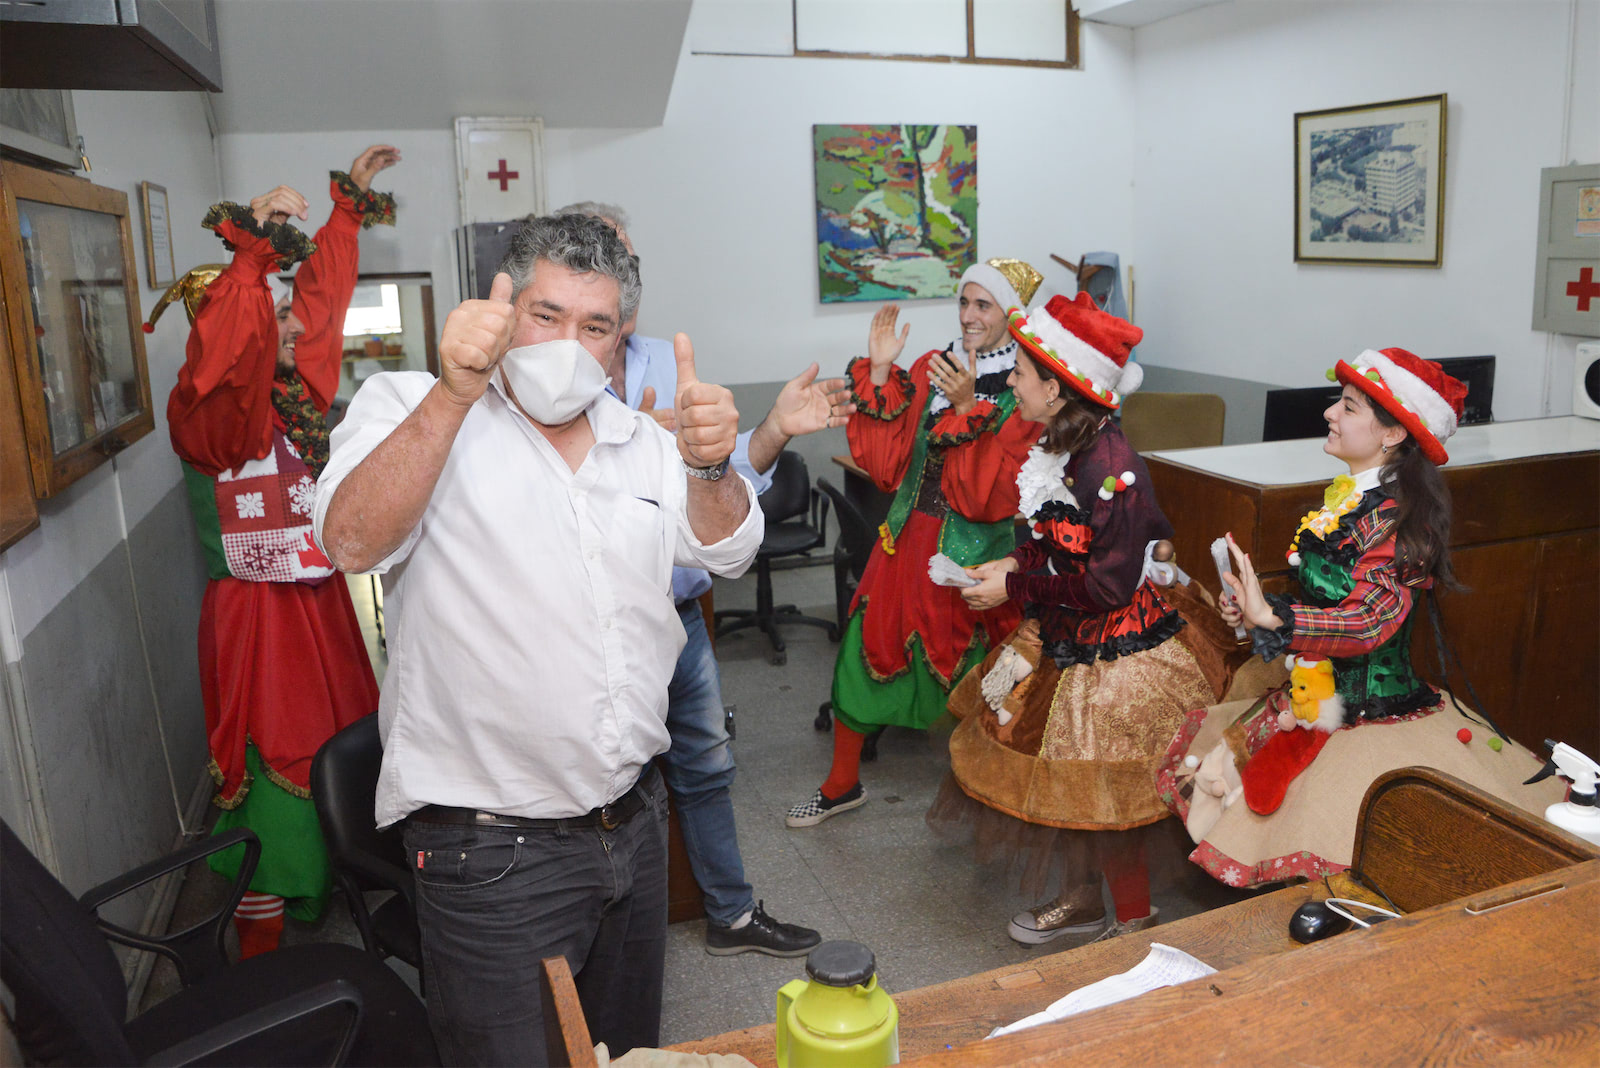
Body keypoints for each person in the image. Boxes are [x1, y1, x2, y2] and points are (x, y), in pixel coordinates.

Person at [312, 213, 761, 1061]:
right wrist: (455, 393)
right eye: (545, 315)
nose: (565, 345)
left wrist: (710, 467)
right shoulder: (410, 406)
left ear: (621, 339)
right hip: (491, 851)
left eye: (594, 326)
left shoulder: (640, 441)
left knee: (625, 1055)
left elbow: (727, 549)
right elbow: (352, 540)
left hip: (632, 822)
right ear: (504, 308)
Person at [555, 201, 850, 956]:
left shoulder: (662, 357)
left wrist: (773, 429)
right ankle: (598, 945)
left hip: (679, 618)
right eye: (596, 258)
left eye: (626, 261)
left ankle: (731, 914)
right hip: (586, 628)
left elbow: (720, 475)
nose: (617, 276)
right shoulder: (540, 376)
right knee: (599, 786)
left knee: (708, 766)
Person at [1155, 348, 1564, 888]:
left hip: (1371, 717)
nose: (1330, 413)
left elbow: (1370, 622)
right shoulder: (1349, 501)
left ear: (1392, 434)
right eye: (1338, 402)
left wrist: (1276, 617)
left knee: (1363, 865)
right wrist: (1254, 610)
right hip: (1316, 696)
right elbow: (1331, 596)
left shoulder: (1399, 521)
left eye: (1348, 407)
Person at [930, 292, 1245, 943]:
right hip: (1063, 629)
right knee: (1064, 776)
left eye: (1021, 372)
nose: (1011, 381)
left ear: (1057, 388)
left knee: (1102, 783)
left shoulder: (1111, 469)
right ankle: (1082, 901)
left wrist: (1014, 583)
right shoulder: (1062, 447)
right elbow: (1056, 542)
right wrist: (1010, 564)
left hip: (1114, 648)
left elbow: (1104, 586)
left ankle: (1133, 921)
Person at [163, 145, 399, 957]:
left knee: (339, 741)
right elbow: (225, 363)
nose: (295, 323)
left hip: (317, 603)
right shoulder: (215, 424)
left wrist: (346, 209)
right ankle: (264, 924)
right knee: (279, 760)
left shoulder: (297, 398)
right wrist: (249, 259)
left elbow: (320, 310)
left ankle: (336, 877)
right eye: (273, 313)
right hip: (260, 621)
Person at [786, 258, 1045, 828]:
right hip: (903, 547)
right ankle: (841, 784)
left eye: (984, 305)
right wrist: (880, 372)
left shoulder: (1025, 387)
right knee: (863, 653)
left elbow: (993, 495)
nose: (969, 314)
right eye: (964, 301)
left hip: (976, 559)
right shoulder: (932, 367)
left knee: (990, 681)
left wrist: (967, 408)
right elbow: (887, 465)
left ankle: (994, 796)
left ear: (1010, 315)